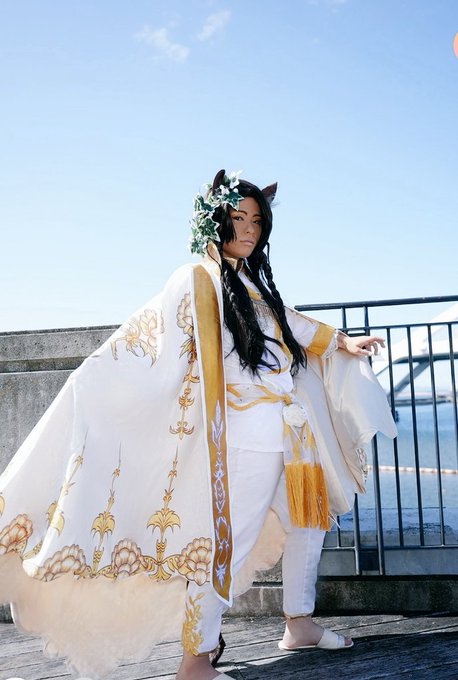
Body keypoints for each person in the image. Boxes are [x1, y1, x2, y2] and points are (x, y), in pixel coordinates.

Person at [0, 170, 396, 680]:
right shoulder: (196, 279)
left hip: (288, 430)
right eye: (239, 218)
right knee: (224, 545)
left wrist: (343, 342)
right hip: (245, 436)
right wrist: (93, 383)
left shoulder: (252, 284)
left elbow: (292, 323)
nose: (249, 229)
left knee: (309, 522)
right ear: (214, 222)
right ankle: (195, 661)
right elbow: (148, 345)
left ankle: (298, 622)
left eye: (257, 221)